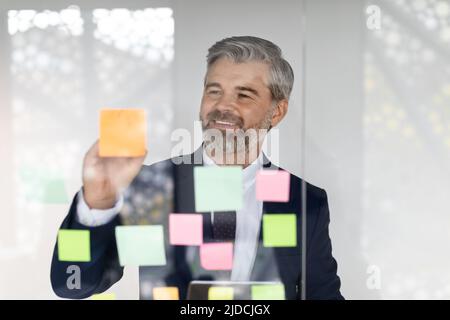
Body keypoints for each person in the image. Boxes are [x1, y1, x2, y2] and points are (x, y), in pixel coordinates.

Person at [50, 36, 344, 300]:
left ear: (276, 111)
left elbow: (323, 295)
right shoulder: (154, 186)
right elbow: (72, 285)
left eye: (244, 95)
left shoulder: (306, 202)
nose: (223, 106)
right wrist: (98, 204)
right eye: (214, 91)